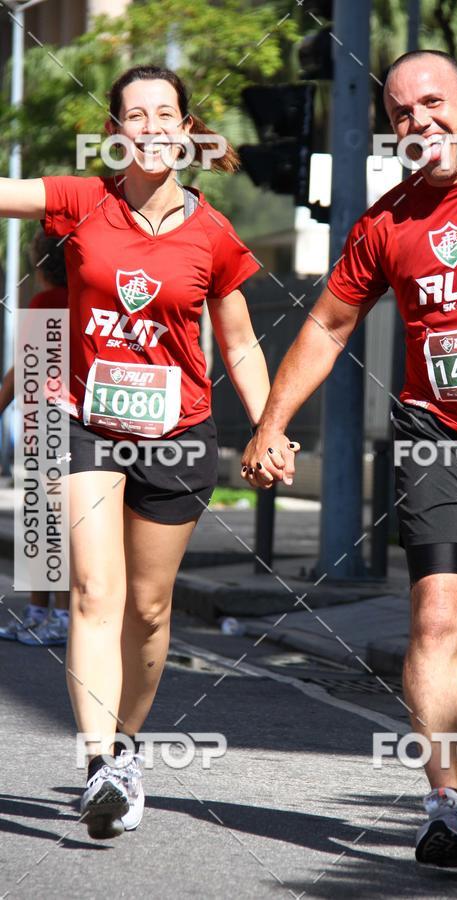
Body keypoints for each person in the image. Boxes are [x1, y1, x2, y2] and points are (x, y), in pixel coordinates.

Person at [242, 49, 457, 867]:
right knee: (437, 618)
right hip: (436, 433)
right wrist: (270, 422)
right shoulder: (388, 220)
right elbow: (329, 326)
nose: (419, 122)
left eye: (433, 103)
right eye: (402, 113)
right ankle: (444, 801)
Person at [0, 64, 296, 840]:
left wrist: (269, 427)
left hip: (179, 433)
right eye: (137, 114)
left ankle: (126, 746)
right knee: (96, 592)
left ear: (185, 128)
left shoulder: (213, 233)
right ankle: (99, 763)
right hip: (87, 423)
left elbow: (239, 344)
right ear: (117, 132)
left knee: (150, 609)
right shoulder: (80, 201)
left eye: (167, 113)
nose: (153, 126)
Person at [0, 232, 70, 646]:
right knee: (49, 520)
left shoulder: (46, 302)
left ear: (39, 265)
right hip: (64, 420)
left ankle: (51, 614)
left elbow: (21, 369)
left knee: (49, 522)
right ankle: (43, 613)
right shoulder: (84, 300)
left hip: (50, 422)